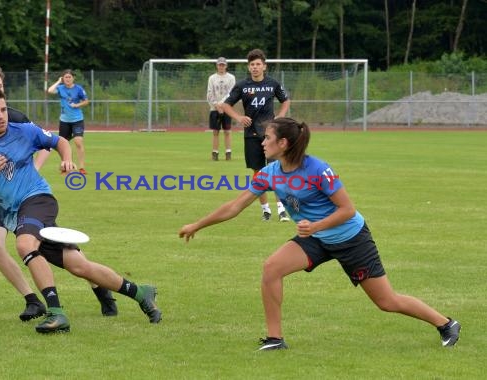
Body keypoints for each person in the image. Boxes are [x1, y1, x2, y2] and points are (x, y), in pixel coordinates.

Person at [179, 117, 461, 351]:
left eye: (267, 138)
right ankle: (275, 339)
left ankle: (446, 323)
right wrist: (196, 225)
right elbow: (235, 206)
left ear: (283, 143)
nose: (261, 142)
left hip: (350, 239)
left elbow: (348, 209)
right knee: (271, 268)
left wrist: (315, 227)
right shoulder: (269, 172)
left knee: (386, 302)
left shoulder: (317, 169)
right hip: (315, 238)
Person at [0, 87, 161, 333]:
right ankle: (141, 293)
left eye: (3, 109)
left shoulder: (25, 131)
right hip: (13, 214)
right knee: (78, 266)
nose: (1, 116)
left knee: (24, 245)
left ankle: (56, 313)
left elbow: (59, 141)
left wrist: (66, 158)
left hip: (38, 199)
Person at [0, 63, 117, 321]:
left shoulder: (13, 117)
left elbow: (46, 142)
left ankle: (98, 285)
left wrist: (34, 167)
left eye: (0, 87)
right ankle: (32, 300)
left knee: (54, 245)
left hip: (23, 193)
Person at [221, 49, 290, 222]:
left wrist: (280, 116)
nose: (255, 67)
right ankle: (265, 210)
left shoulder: (273, 84)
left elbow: (286, 100)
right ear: (248, 67)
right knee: (258, 172)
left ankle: (281, 209)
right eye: (252, 64)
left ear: (264, 66)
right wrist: (238, 117)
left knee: (276, 171)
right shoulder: (242, 86)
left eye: (258, 64)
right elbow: (226, 105)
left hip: (271, 135)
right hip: (251, 134)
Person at [47, 69, 89, 175]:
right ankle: (65, 167)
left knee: (78, 142)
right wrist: (58, 81)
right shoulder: (60, 88)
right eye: (65, 77)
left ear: (73, 78)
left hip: (77, 120)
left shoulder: (78, 89)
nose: (68, 79)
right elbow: (50, 91)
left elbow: (86, 101)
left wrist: (77, 105)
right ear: (63, 78)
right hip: (64, 121)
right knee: (62, 145)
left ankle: (82, 168)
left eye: (69, 77)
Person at [207, 57, 236, 161]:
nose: (221, 67)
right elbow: (209, 94)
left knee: (227, 131)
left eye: (223, 65)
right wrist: (216, 105)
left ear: (226, 66)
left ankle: (228, 152)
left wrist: (222, 105)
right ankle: (215, 153)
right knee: (215, 131)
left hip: (227, 108)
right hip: (214, 109)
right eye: (220, 65)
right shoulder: (212, 78)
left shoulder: (231, 78)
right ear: (217, 65)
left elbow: (232, 93)